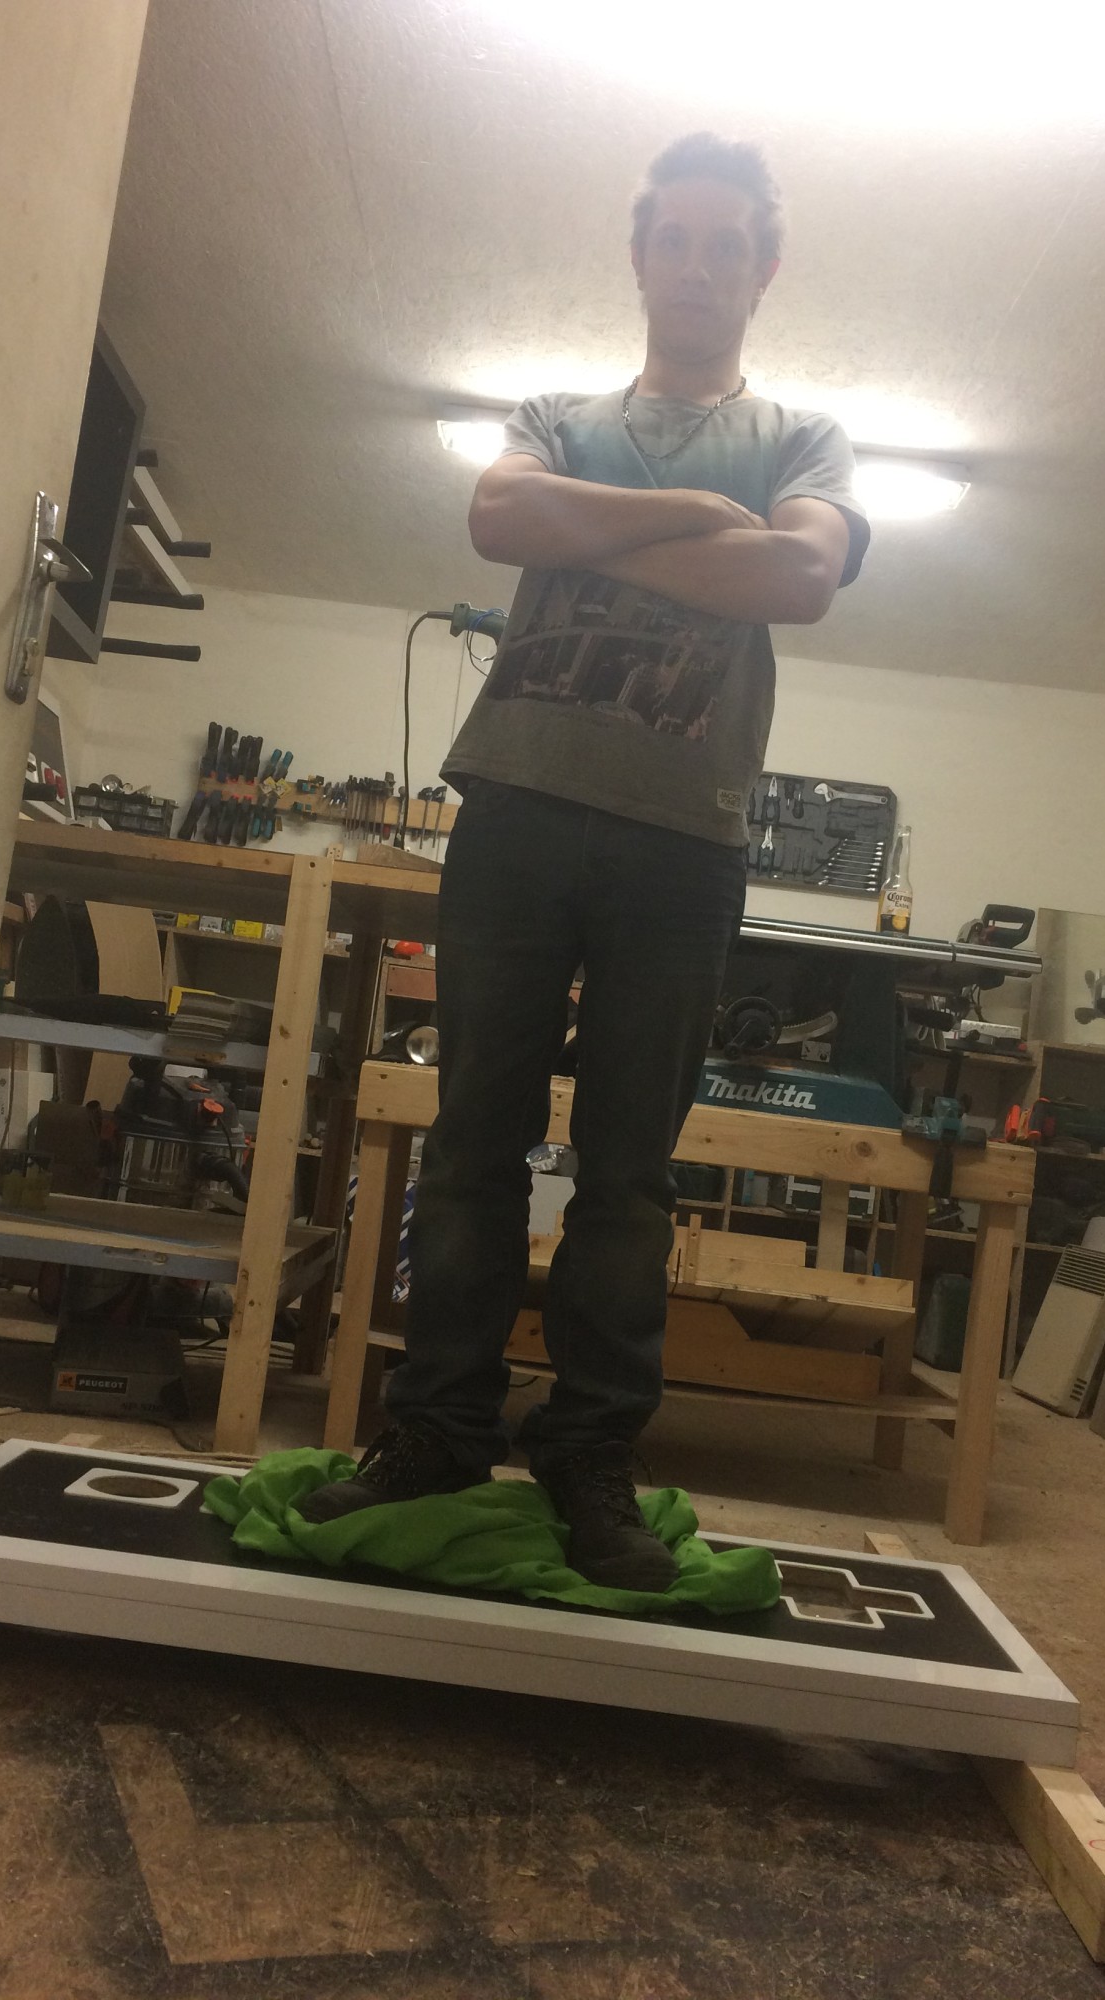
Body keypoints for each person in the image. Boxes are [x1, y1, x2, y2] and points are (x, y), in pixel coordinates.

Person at [304, 133, 870, 1588]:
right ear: (639, 255)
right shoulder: (554, 414)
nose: (698, 264)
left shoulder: (804, 440)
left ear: (763, 268)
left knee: (629, 1176)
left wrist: (592, 534)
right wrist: (692, 521)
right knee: (473, 1145)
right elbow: (497, 515)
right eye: (674, 237)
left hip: (685, 841)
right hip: (518, 813)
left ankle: (590, 1455)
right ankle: (438, 1433)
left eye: (725, 243)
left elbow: (800, 575)